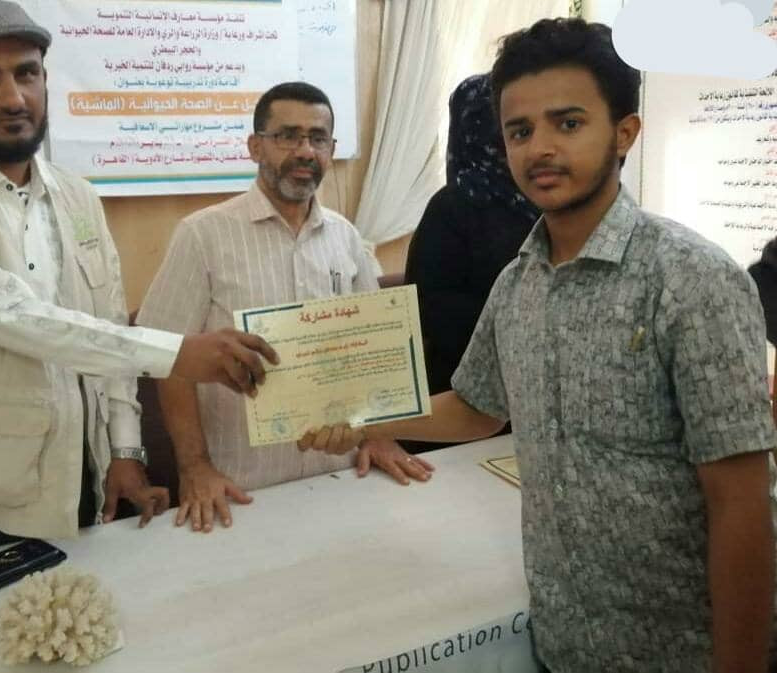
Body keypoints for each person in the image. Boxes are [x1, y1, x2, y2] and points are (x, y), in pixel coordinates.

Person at [301, 18, 777, 673]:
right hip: (560, 645)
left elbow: (743, 502)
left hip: (677, 654)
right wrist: (362, 416)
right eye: (520, 131)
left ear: (625, 133)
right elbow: (479, 408)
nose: (540, 148)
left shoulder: (691, 280)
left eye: (568, 123)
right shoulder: (518, 282)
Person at [0, 2, 276, 671]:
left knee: (73, 652)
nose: (12, 96)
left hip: (68, 490)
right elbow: (11, 315)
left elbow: (103, 322)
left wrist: (124, 452)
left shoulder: (78, 196)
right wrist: (177, 352)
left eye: (26, 73)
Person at [136, 82, 435, 533]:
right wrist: (194, 467)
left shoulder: (345, 237)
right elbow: (168, 358)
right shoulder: (203, 234)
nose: (305, 151)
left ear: (331, 149)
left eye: (318, 138)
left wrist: (381, 436)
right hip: (238, 490)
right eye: (288, 136)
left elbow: (374, 351)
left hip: (341, 477)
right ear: (255, 146)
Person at [402, 73, 539, 453]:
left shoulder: (546, 199)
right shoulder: (454, 206)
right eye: (513, 128)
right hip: (460, 397)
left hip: (536, 395)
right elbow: (429, 309)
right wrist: (524, 325)